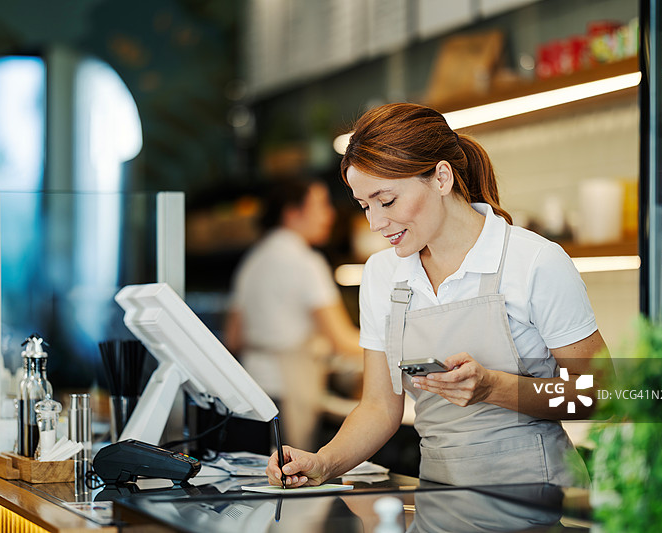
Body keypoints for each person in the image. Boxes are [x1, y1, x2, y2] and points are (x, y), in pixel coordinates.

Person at [266, 103, 610, 488]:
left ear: (441, 178)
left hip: (537, 502)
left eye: (387, 200)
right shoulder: (383, 274)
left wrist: (493, 387)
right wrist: (323, 462)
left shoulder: (534, 262)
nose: (376, 223)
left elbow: (599, 394)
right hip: (440, 499)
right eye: (365, 206)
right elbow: (380, 407)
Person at [225, 177, 362, 451]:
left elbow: (233, 338)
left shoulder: (252, 261)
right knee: (288, 480)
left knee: (257, 483)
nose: (330, 215)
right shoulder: (306, 262)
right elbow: (341, 340)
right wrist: (394, 351)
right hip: (287, 392)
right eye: (321, 205)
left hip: (250, 391)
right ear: (292, 213)